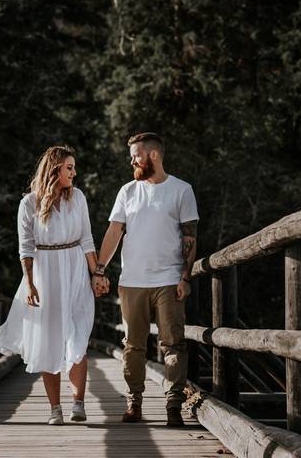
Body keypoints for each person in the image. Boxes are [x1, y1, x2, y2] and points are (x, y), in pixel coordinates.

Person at [92, 132, 198, 427]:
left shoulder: (181, 190)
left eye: (136, 155)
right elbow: (114, 232)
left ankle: (174, 405)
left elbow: (190, 237)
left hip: (168, 279)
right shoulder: (127, 191)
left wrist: (185, 276)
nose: (132, 160)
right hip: (132, 281)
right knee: (133, 345)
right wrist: (100, 269)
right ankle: (133, 402)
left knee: (173, 344)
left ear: (153, 155)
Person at [0, 145, 101, 425]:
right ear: (55, 170)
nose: (74, 173)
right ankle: (55, 409)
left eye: (74, 167)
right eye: (69, 168)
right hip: (45, 272)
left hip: (75, 269)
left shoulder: (78, 198)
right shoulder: (29, 203)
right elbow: (25, 247)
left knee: (78, 335)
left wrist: (97, 273)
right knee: (49, 340)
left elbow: (87, 239)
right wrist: (29, 284)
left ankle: (78, 402)